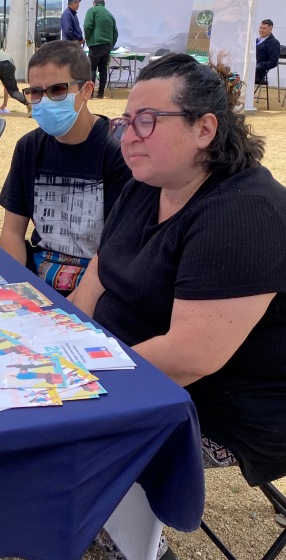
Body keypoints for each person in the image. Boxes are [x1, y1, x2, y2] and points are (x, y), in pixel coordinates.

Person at [69, 53, 286, 556]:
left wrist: (80, 377)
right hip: (129, 364)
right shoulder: (149, 183)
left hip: (227, 404)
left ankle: (127, 544)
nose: (128, 136)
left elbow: (192, 357)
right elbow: (99, 272)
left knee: (77, 443)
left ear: (204, 128)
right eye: (126, 122)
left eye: (147, 121)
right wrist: (67, 341)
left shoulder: (244, 213)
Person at [0, 40, 132, 294]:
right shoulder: (29, 147)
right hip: (37, 278)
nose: (44, 100)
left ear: (86, 90)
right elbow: (12, 233)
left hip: (96, 286)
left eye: (57, 90)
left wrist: (71, 309)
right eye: (35, 92)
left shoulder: (117, 151)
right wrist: (16, 291)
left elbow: (117, 253)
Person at [83, 0, 118, 99]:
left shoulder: (92, 10)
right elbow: (115, 33)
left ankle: (91, 93)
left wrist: (88, 39)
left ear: (94, 4)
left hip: (95, 44)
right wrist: (111, 45)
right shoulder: (110, 15)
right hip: (107, 45)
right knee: (103, 69)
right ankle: (101, 93)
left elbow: (87, 26)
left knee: (92, 69)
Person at [255, 18, 280, 85]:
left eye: (264, 28)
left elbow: (273, 62)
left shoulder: (274, 43)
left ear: (271, 29)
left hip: (258, 73)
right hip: (248, 69)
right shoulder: (256, 40)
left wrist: (258, 66)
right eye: (260, 28)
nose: (261, 30)